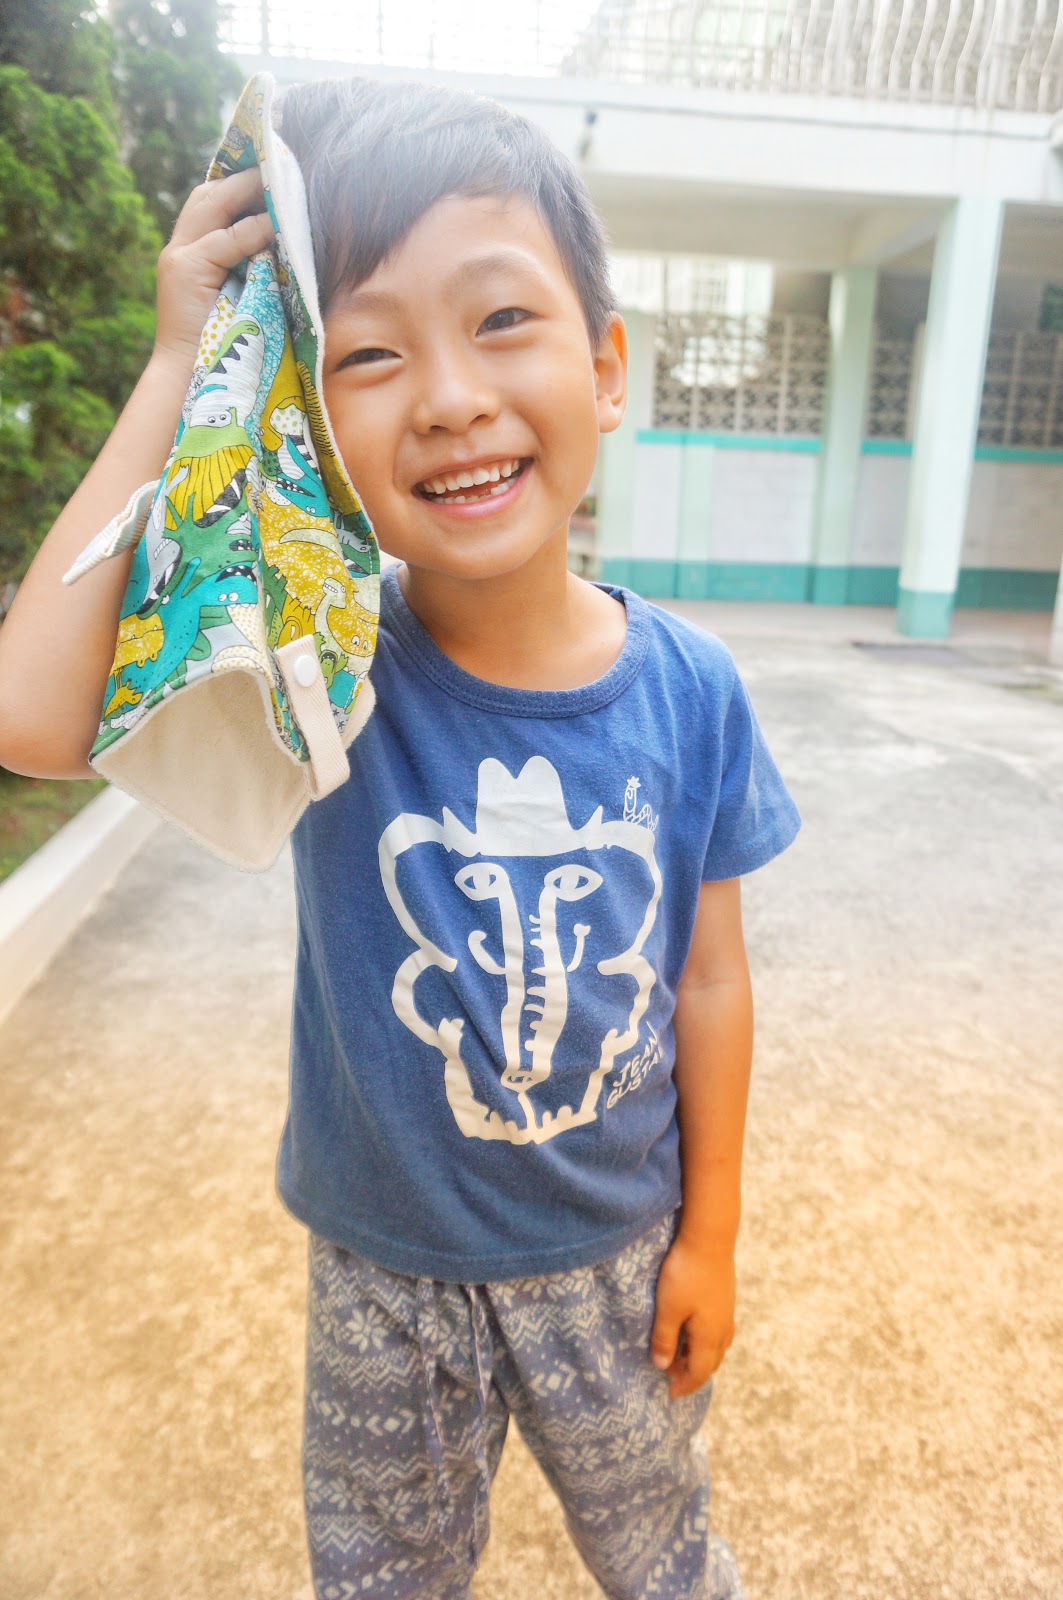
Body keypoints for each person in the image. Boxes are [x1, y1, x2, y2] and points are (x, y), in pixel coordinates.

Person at [0, 76, 800, 1600]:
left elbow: (709, 980)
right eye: (368, 353)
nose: (447, 397)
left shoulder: (693, 688)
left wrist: (716, 1234)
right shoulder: (317, 654)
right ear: (309, 418)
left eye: (502, 321)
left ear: (606, 367)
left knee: (666, 1559)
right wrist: (181, 364)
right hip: (384, 1280)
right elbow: (29, 713)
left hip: (617, 1259)